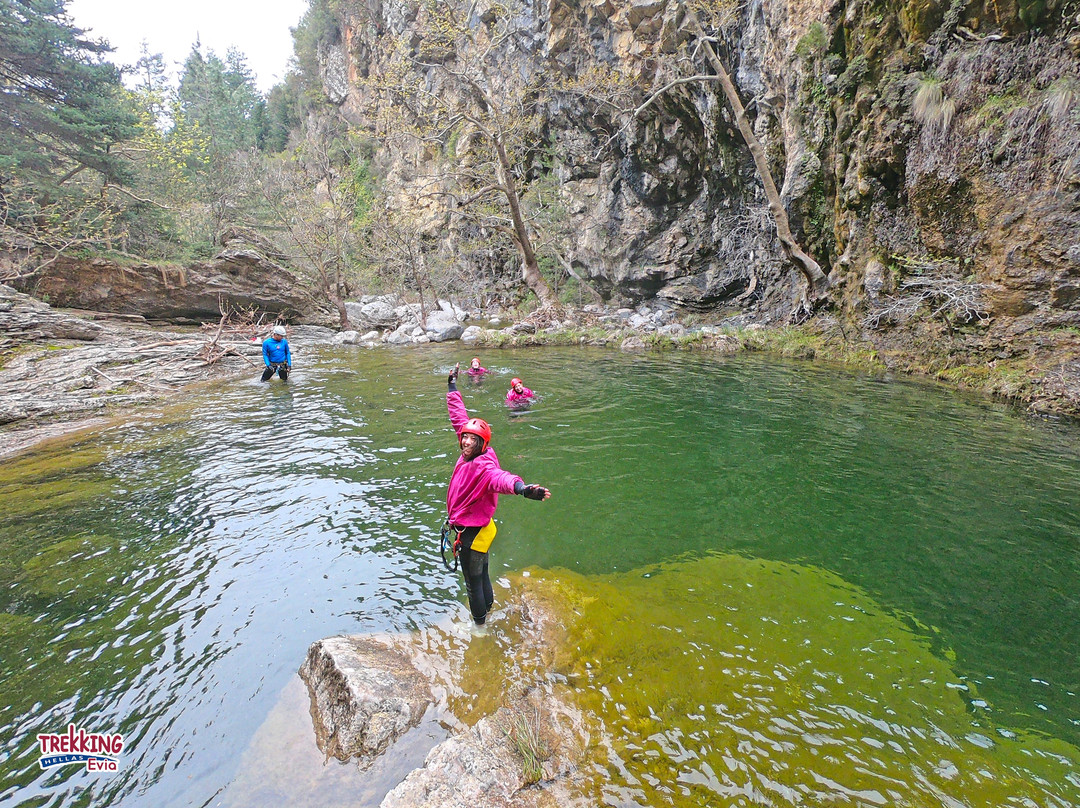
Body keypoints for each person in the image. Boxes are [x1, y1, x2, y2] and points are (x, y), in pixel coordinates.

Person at [446, 363, 550, 626]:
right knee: (482, 575)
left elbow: (501, 479)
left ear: (482, 444)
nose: (466, 442)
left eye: (472, 439)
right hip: (480, 526)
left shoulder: (484, 467)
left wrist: (522, 489)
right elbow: (459, 417)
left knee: (473, 582)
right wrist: (452, 386)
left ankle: (480, 627)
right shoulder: (473, 450)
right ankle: (489, 609)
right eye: (465, 438)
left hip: (473, 531)